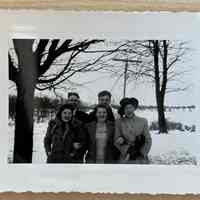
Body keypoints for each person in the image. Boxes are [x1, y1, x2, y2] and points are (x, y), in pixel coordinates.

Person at [114, 97, 152, 164]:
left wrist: (141, 153)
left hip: (140, 158)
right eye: (126, 108)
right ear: (123, 110)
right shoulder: (119, 122)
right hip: (125, 157)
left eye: (130, 107)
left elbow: (148, 140)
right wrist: (127, 150)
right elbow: (116, 141)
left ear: (134, 108)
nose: (129, 110)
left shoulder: (143, 121)